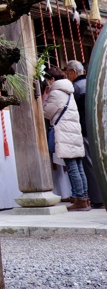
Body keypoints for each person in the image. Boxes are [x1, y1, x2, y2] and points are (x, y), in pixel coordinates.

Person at [43, 65, 90, 211]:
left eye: (47, 80)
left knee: (72, 167)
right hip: (74, 132)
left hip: (64, 132)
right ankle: (84, 198)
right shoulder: (69, 90)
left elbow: (47, 112)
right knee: (79, 167)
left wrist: (44, 98)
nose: (47, 83)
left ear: (52, 79)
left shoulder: (56, 92)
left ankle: (81, 200)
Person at [65, 59, 103, 208]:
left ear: (73, 72)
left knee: (89, 164)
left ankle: (98, 199)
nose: (67, 75)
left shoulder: (76, 88)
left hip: (85, 129)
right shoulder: (91, 83)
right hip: (97, 128)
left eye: (67, 72)